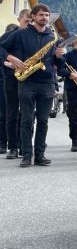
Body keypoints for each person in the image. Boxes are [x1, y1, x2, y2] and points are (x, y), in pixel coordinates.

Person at [0, 4, 62, 167]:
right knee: (27, 120)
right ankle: (27, 155)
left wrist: (59, 56)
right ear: (33, 17)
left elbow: (58, 63)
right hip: (27, 82)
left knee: (43, 120)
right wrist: (9, 58)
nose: (45, 18)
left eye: (47, 15)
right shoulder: (20, 34)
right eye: (41, 15)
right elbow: (1, 48)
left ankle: (40, 154)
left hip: (47, 82)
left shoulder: (52, 37)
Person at [1, 10, 29, 159]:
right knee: (11, 113)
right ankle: (12, 147)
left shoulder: (33, 36)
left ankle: (24, 146)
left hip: (29, 79)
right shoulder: (9, 35)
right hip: (11, 78)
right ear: (19, 20)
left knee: (27, 115)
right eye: (26, 21)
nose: (29, 24)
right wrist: (7, 61)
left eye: (31, 22)